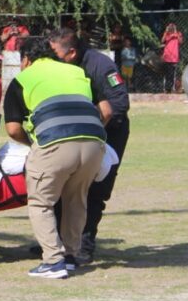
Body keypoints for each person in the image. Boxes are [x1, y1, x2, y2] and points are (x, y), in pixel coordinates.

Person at [4, 37, 111, 279]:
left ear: (26, 59)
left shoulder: (22, 79)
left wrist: (34, 142)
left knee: (41, 202)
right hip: (94, 142)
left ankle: (53, 260)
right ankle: (71, 256)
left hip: (54, 142)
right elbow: (106, 110)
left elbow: (12, 129)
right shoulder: (78, 72)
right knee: (76, 199)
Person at [49, 27, 130, 265]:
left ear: (71, 52)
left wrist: (93, 128)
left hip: (108, 133)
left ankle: (85, 242)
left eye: (55, 53)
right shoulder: (61, 67)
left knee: (96, 190)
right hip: (71, 132)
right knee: (61, 184)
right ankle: (59, 243)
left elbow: (120, 103)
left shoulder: (100, 66)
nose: (52, 57)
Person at [161, 23, 183, 93]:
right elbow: (162, 41)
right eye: (170, 27)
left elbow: (180, 41)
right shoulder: (167, 34)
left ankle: (171, 88)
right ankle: (166, 88)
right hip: (167, 56)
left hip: (174, 57)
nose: (171, 28)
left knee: (172, 74)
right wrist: (166, 32)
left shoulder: (178, 34)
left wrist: (176, 33)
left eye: (172, 27)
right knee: (167, 73)